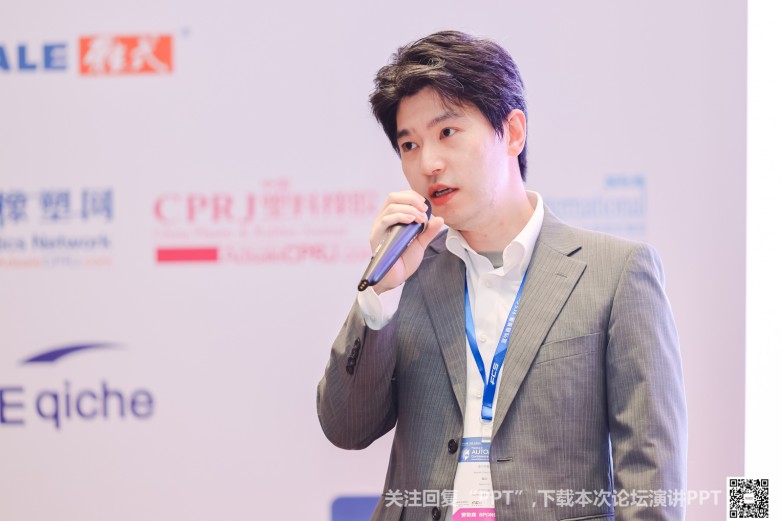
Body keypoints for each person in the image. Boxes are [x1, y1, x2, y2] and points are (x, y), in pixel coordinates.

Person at [317, 30, 687, 521]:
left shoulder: (615, 273)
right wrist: (380, 292)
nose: (428, 163)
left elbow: (649, 466)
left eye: (448, 132)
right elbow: (346, 427)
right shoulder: (407, 275)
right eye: (409, 144)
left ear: (512, 132)